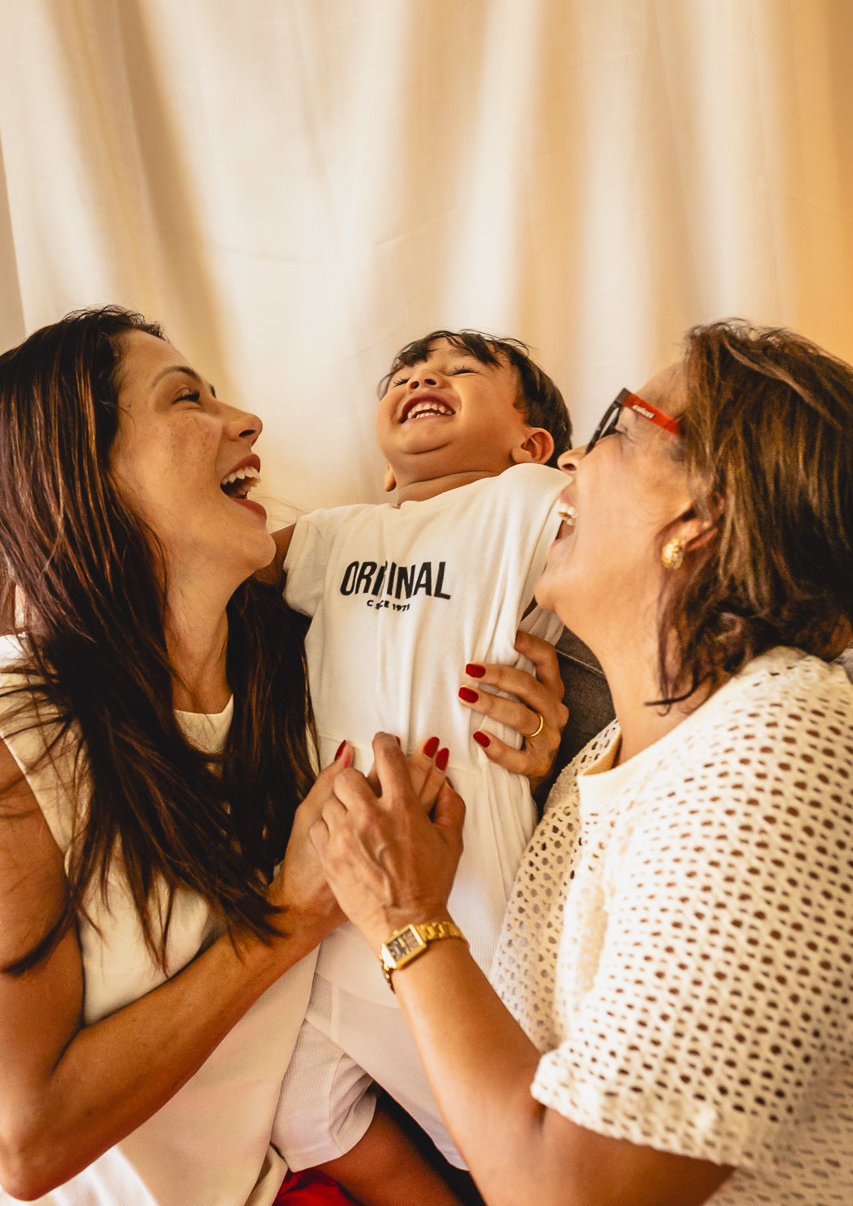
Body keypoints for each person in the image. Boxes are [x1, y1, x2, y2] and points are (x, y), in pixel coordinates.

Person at [309, 320, 853, 1206]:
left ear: (700, 514)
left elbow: (574, 1192)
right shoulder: (589, 765)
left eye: (614, 425)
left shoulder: (783, 736)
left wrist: (405, 917)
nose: (569, 458)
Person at [0, 307, 459, 1206]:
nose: (246, 422)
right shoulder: (22, 736)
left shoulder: (298, 670)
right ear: (83, 473)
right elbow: (27, 1143)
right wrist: (288, 919)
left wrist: (533, 723)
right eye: (186, 400)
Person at [269, 331, 572, 1175]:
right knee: (295, 1106)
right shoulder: (337, 533)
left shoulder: (524, 498)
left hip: (470, 851)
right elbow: (232, 567)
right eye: (402, 374)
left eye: (460, 370)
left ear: (531, 440)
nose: (421, 378)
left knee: (517, 1090)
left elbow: (643, 525)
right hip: (328, 871)